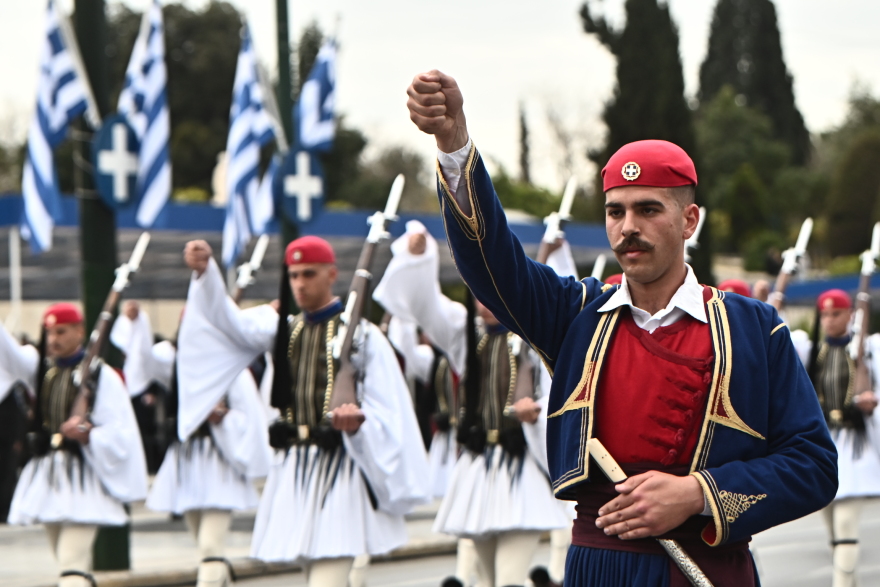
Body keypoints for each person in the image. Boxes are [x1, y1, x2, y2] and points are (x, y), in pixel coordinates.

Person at [406, 70, 837, 586]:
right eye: (616, 211)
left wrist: (699, 493)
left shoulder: (753, 327)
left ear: (690, 220)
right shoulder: (576, 316)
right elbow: (491, 263)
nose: (628, 226)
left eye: (648, 209)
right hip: (597, 568)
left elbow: (812, 465)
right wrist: (454, 147)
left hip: (706, 568)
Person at [179, 237, 429, 587]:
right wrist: (207, 274)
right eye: (294, 275)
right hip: (295, 467)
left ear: (331, 274)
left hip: (342, 466)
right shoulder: (283, 331)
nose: (299, 283)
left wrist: (359, 424)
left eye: (308, 274)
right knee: (313, 573)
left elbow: (389, 407)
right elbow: (228, 324)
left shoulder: (363, 336)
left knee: (325, 577)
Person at [374, 222, 570, 587]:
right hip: (479, 468)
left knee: (510, 579)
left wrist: (535, 414)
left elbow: (560, 392)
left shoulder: (534, 336)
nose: (484, 302)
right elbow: (424, 305)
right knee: (486, 579)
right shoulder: (467, 338)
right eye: (479, 293)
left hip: (521, 467)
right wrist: (419, 257)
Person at [112, 300, 271, 587]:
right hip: (187, 460)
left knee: (210, 547)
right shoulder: (175, 360)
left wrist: (220, 416)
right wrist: (138, 324)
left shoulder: (229, 366)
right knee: (205, 547)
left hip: (219, 459)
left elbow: (248, 417)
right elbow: (143, 364)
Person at [2, 303, 147, 587]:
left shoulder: (100, 376)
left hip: (85, 479)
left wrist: (88, 435)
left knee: (71, 569)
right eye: (49, 333)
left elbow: (120, 431)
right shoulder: (43, 370)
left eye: (61, 332)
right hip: (50, 478)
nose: (53, 340)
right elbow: (6, 352)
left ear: (80, 331)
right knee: (69, 566)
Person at [801, 289, 880, 587]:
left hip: (855, 448)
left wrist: (872, 402)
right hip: (824, 446)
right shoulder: (812, 353)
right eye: (825, 314)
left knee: (846, 531)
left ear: (850, 315)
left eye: (836, 314)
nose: (830, 320)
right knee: (836, 535)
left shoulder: (869, 350)